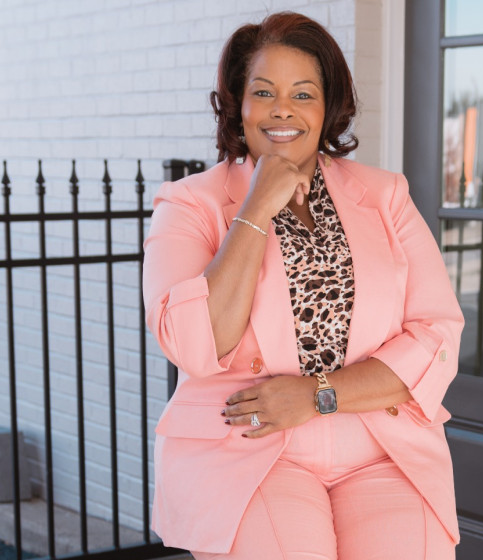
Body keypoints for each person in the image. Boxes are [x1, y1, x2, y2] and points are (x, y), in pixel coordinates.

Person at [143, 11, 464, 560]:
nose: (283, 108)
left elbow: (437, 337)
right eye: (263, 92)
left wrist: (318, 394)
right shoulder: (190, 204)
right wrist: (255, 208)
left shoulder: (385, 195)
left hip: (381, 444)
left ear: (326, 107)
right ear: (238, 105)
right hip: (248, 449)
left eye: (303, 94)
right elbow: (196, 346)